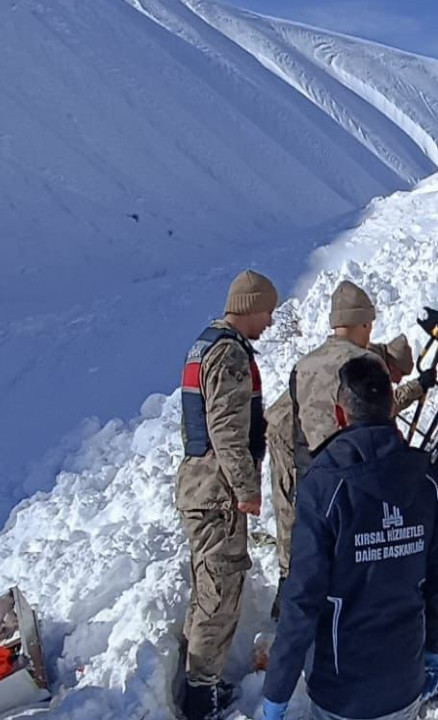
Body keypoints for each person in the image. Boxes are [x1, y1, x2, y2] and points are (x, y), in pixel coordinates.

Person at [261, 356, 438, 720]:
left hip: (342, 689)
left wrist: (277, 692)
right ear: (392, 407)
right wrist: (434, 650)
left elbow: (302, 598)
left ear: (340, 413)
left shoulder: (324, 486)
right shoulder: (424, 479)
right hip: (404, 680)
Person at [268, 309, 430, 618]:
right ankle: (289, 592)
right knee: (296, 512)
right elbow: (376, 409)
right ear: (390, 366)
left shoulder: (363, 358)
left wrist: (418, 387)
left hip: (307, 431)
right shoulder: (366, 364)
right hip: (292, 432)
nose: (396, 381)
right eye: (397, 376)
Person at [177, 269, 277, 720]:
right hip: (217, 494)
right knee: (218, 593)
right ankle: (202, 696)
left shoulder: (205, 345)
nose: (270, 323)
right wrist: (246, 488)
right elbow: (227, 431)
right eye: (268, 313)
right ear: (249, 307)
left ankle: (204, 681)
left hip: (201, 487)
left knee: (207, 589)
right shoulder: (231, 356)